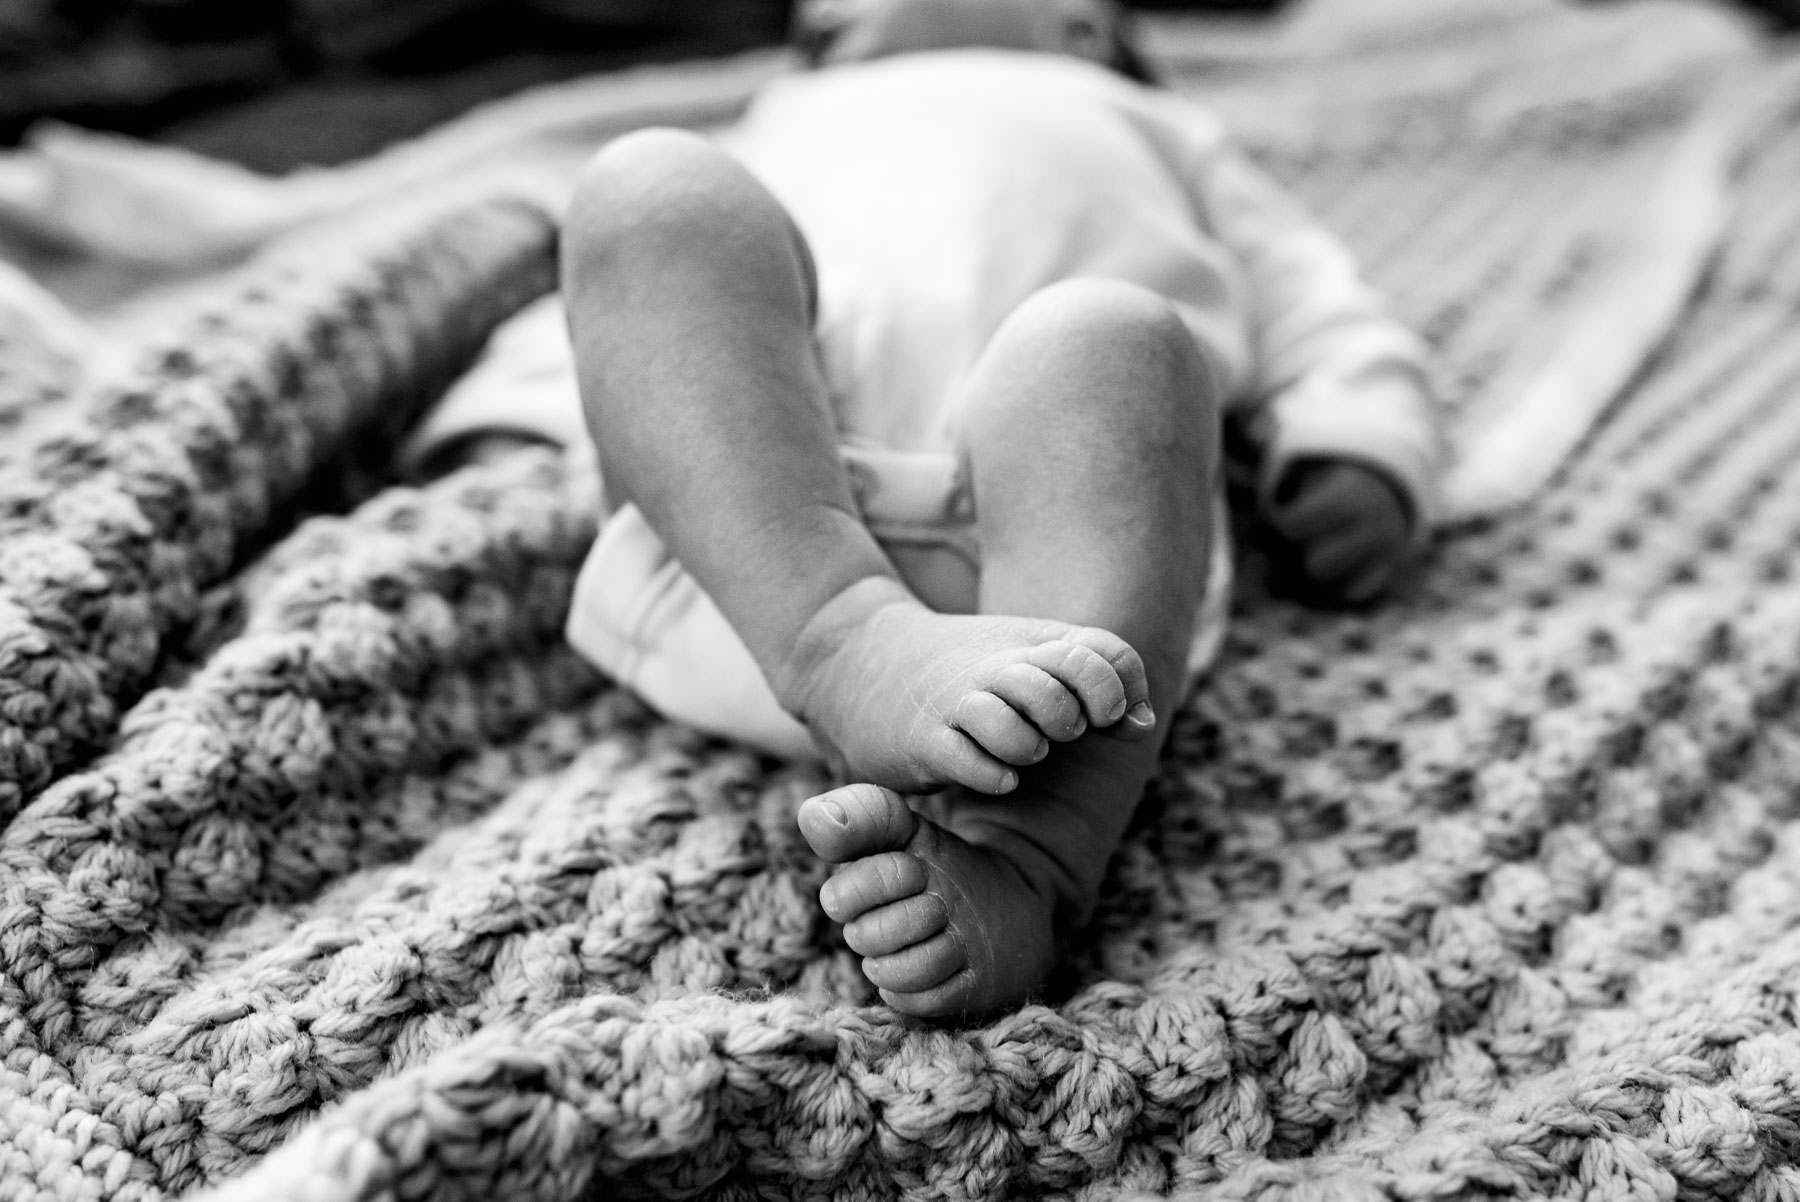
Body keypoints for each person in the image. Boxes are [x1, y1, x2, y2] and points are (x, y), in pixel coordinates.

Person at [409, 0, 1445, 1019]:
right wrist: (513, 417)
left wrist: (1362, 437)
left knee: (1117, 335)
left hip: (1060, 575)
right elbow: (614, 315)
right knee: (649, 191)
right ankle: (844, 636)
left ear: (1083, 24)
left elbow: (1318, 294)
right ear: (826, 33)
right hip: (753, 542)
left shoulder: (1164, 124)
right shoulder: (788, 110)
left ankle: (1023, 861)